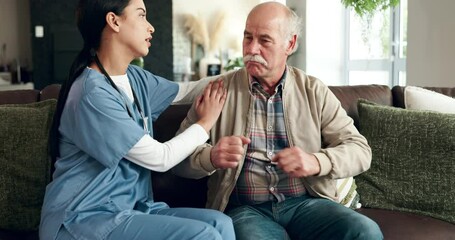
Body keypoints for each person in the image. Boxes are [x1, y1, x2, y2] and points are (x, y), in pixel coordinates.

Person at [173, 2, 383, 240]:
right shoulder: (217, 91)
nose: (252, 48)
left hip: (307, 204)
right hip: (246, 209)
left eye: (264, 40)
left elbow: (360, 151)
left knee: (365, 231)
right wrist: (210, 157)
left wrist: (316, 161)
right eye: (247, 37)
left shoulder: (314, 91)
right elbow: (177, 159)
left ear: (290, 44)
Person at [39, 0, 236, 239]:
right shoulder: (92, 94)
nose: (151, 27)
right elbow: (161, 158)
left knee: (221, 224)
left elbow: (188, 91)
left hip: (129, 210)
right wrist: (204, 124)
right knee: (204, 235)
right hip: (83, 218)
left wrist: (245, 71)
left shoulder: (134, 78)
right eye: (141, 15)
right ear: (114, 21)